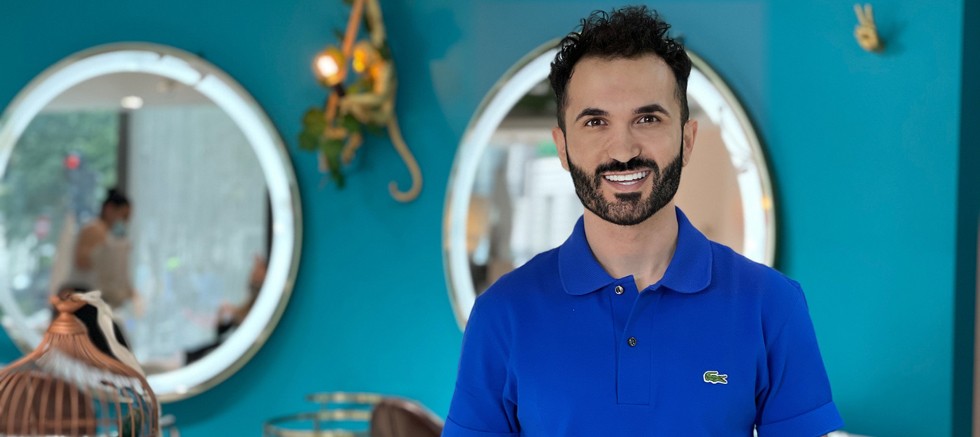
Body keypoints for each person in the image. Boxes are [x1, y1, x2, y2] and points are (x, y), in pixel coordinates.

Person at [444, 6, 844, 436]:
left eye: (648, 118)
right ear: (562, 147)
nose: (622, 150)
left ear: (687, 140)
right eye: (595, 121)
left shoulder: (772, 304)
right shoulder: (501, 315)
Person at [66, 188, 140, 313]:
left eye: (127, 218)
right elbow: (81, 262)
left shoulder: (109, 235)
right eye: (123, 216)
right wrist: (109, 256)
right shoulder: (94, 229)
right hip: (84, 294)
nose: (125, 222)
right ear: (109, 209)